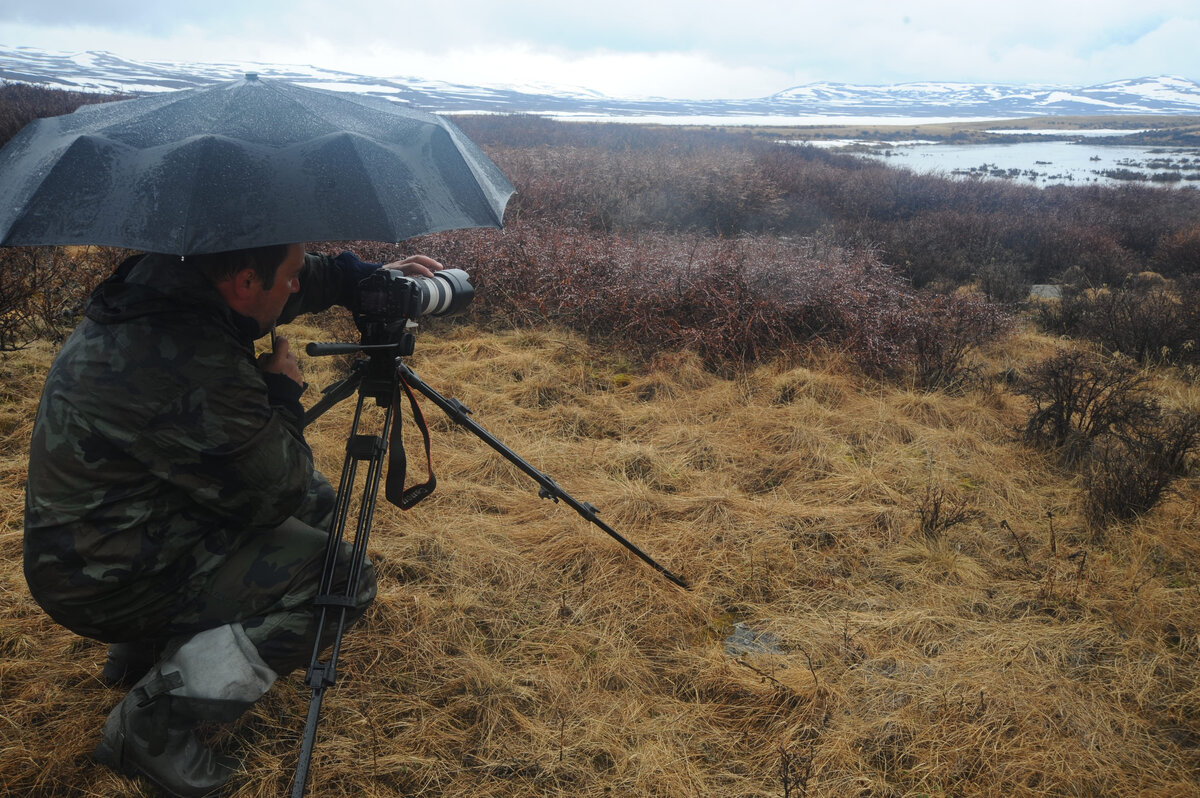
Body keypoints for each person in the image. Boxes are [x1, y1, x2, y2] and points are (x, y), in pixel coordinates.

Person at [23, 243, 443, 796]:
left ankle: (146, 648)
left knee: (318, 504)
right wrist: (280, 394)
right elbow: (276, 491)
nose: (297, 288)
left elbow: (281, 275)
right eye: (289, 279)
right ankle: (151, 722)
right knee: (340, 579)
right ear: (245, 282)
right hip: (105, 578)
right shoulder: (189, 361)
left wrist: (359, 277)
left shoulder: (173, 277)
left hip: (110, 527)